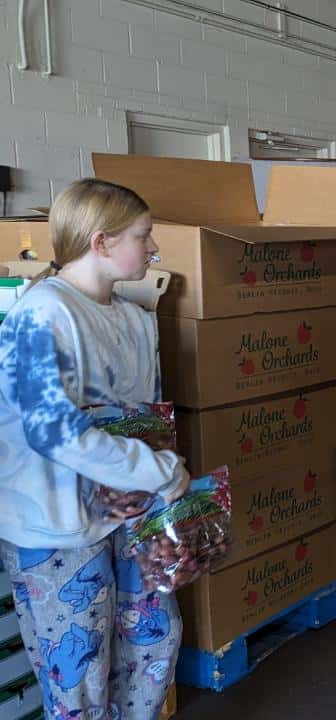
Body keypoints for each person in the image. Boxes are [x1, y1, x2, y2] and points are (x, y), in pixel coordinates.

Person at [0, 178, 191, 719]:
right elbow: (53, 430)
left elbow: (143, 417)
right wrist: (155, 469)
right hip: (55, 523)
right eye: (143, 236)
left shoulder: (133, 317)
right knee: (79, 669)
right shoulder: (43, 315)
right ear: (101, 242)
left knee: (154, 638)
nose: (153, 248)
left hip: (128, 513)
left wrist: (165, 476)